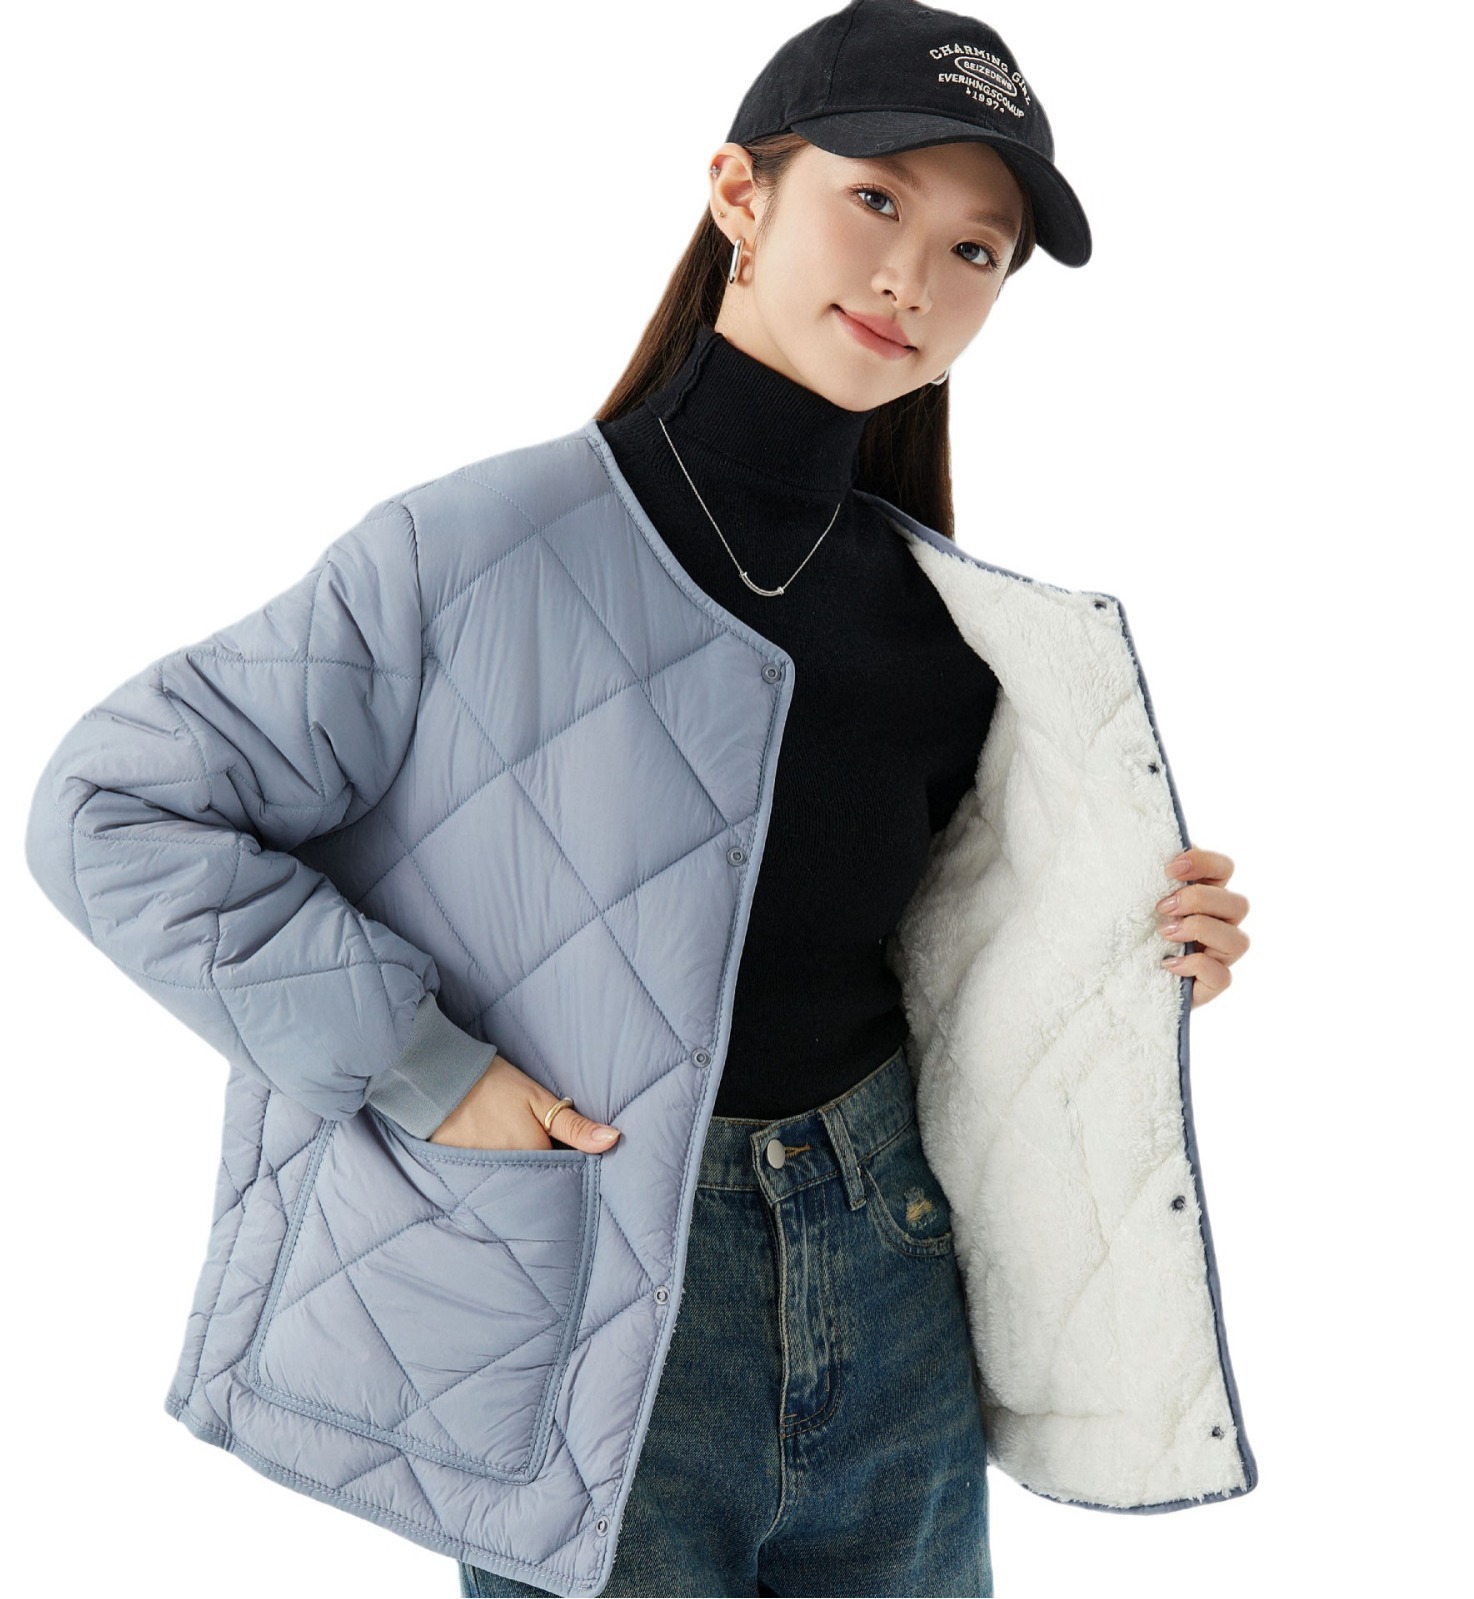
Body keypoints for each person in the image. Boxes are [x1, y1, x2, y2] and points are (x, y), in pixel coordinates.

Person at [23, 3, 1256, 1595]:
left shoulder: (959, 628)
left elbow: (921, 954)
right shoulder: (475, 551)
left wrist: (1130, 954)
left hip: (895, 1283)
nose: (914, 278)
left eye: (976, 251)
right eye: (874, 199)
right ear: (741, 193)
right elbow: (111, 808)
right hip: (595, 1297)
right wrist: (421, 1065)